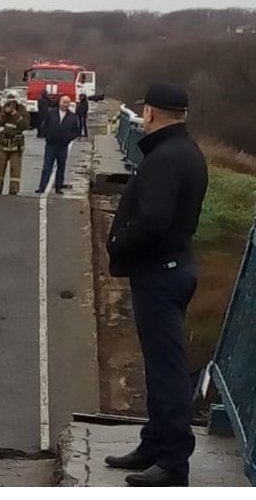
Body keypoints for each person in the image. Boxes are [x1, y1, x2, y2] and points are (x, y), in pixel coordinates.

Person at [105, 83, 208, 487]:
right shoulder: (185, 151)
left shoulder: (164, 158)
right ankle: (154, 443)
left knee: (167, 370)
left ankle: (173, 462)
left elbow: (153, 221)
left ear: (148, 114)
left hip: (161, 274)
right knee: (160, 364)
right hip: (172, 268)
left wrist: (119, 244)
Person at [36, 95, 81, 195]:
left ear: (69, 104)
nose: (65, 104)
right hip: (51, 144)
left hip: (63, 146)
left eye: (67, 102)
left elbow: (76, 131)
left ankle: (58, 187)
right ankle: (42, 187)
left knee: (61, 167)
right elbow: (44, 125)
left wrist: (68, 139)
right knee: (47, 166)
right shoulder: (51, 113)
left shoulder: (73, 117)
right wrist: (46, 135)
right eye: (63, 102)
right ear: (59, 102)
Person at [0, 92, 29, 195]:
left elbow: (25, 125)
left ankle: (14, 189)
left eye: (12, 101)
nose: (10, 103)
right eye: (9, 101)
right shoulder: (4, 109)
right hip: (4, 143)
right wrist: (3, 113)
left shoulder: (22, 110)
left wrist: (14, 113)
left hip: (16, 144)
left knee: (15, 168)